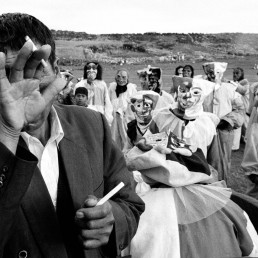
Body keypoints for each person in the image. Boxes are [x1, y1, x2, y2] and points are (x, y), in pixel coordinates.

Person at [0, 12, 144, 257]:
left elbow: (130, 203)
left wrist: (112, 220)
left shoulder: (92, 124)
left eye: (34, 68)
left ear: (57, 70)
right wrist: (8, 134)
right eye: (8, 73)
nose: (21, 84)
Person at [122, 77, 258, 258]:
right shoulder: (161, 117)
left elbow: (215, 160)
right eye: (183, 91)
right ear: (176, 92)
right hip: (166, 179)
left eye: (194, 92)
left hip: (200, 183)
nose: (187, 96)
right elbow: (147, 144)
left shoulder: (208, 122)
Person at [202, 62, 245, 182]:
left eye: (217, 73)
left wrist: (228, 121)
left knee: (223, 160)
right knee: (204, 160)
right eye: (210, 73)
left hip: (224, 132)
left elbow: (240, 109)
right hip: (204, 131)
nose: (213, 76)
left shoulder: (230, 89)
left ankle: (222, 185)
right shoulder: (201, 89)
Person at [74, 61, 113, 126]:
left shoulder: (102, 84)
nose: (91, 70)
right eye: (88, 68)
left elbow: (107, 102)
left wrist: (108, 118)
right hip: (84, 115)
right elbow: (76, 101)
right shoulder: (80, 84)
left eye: (94, 68)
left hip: (99, 115)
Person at [108, 69, 137, 150]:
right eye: (119, 77)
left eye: (124, 77)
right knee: (114, 139)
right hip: (114, 120)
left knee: (126, 139)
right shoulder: (112, 88)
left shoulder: (131, 88)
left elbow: (134, 104)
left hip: (126, 120)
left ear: (127, 78)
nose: (121, 80)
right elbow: (108, 102)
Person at [229, 67, 250, 149]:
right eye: (234, 73)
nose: (235, 75)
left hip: (245, 110)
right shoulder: (237, 83)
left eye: (237, 73)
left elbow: (242, 90)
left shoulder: (245, 83)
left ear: (242, 74)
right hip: (239, 109)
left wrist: (231, 83)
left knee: (246, 129)